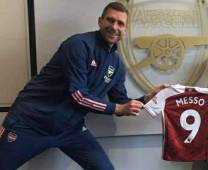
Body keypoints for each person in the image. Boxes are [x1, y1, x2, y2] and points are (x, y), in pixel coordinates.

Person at [0, 2, 167, 170]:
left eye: (120, 23)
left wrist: (147, 98)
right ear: (100, 21)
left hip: (69, 129)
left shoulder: (117, 65)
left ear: (126, 30)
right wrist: (117, 108)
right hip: (30, 123)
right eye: (110, 20)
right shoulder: (78, 44)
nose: (114, 27)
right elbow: (78, 95)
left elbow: (121, 102)